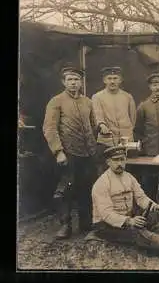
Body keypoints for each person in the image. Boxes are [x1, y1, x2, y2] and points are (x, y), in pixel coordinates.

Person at [90, 145, 159, 264]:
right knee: (137, 231)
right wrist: (129, 221)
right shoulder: (102, 183)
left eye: (122, 159)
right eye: (116, 160)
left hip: (127, 219)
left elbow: (141, 198)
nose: (120, 163)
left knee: (156, 215)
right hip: (106, 226)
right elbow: (106, 214)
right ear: (108, 162)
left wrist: (155, 206)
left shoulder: (129, 177)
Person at [42, 64, 98, 239]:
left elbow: (93, 125)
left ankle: (85, 223)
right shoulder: (56, 101)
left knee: (86, 188)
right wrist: (58, 151)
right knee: (66, 189)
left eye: (76, 80)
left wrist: (98, 134)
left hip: (87, 153)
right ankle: (65, 225)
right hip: (68, 153)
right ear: (64, 82)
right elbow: (50, 128)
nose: (73, 83)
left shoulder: (88, 102)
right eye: (70, 80)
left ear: (81, 82)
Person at [92, 66, 136, 175]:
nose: (112, 81)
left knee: (126, 171)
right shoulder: (97, 97)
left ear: (120, 80)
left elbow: (133, 118)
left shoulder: (127, 97)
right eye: (109, 78)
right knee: (105, 171)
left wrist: (127, 132)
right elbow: (97, 116)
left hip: (126, 142)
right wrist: (102, 125)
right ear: (104, 80)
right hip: (107, 141)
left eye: (115, 78)